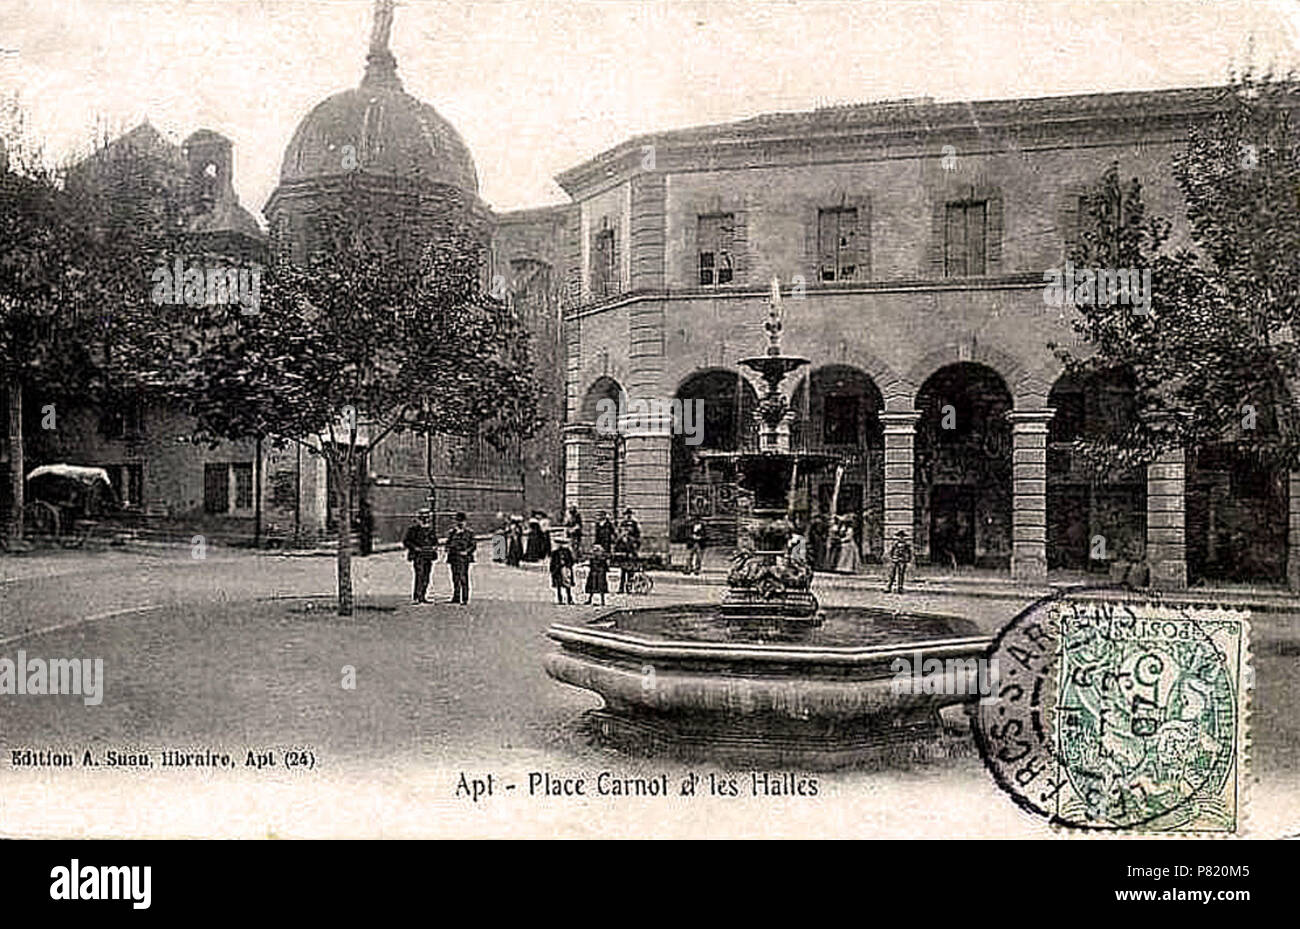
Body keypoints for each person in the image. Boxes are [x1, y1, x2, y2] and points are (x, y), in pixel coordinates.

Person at [402, 508, 438, 604]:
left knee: (426, 576)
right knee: (420, 575)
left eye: (427, 517)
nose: (426, 519)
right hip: (418, 556)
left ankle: (423, 596)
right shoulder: (413, 529)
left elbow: (435, 541)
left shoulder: (430, 529)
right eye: (423, 517)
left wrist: (434, 547)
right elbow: (406, 541)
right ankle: (417, 596)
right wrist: (415, 548)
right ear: (419, 518)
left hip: (428, 555)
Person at [445, 512, 476, 604]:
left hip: (464, 558)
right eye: (458, 521)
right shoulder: (452, 532)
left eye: (462, 521)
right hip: (454, 557)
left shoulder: (469, 533)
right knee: (455, 577)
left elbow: (473, 545)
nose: (460, 523)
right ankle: (456, 596)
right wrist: (448, 548)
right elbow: (448, 543)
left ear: (465, 522)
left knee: (463, 577)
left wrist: (467, 552)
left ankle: (465, 597)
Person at [616, 508, 642, 593]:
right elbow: (618, 537)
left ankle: (629, 588)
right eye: (626, 514)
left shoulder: (634, 524)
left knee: (631, 571)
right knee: (623, 571)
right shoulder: (622, 523)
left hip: (631, 549)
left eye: (629, 514)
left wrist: (636, 547)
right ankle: (621, 588)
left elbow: (638, 536)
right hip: (624, 550)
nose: (627, 516)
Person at [549, 531, 576, 604]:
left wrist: (568, 565)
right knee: (558, 585)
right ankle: (559, 599)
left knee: (567, 585)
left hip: (565, 569)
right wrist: (552, 570)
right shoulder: (555, 553)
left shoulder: (567, 552)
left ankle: (569, 598)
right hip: (557, 570)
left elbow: (571, 560)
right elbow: (552, 562)